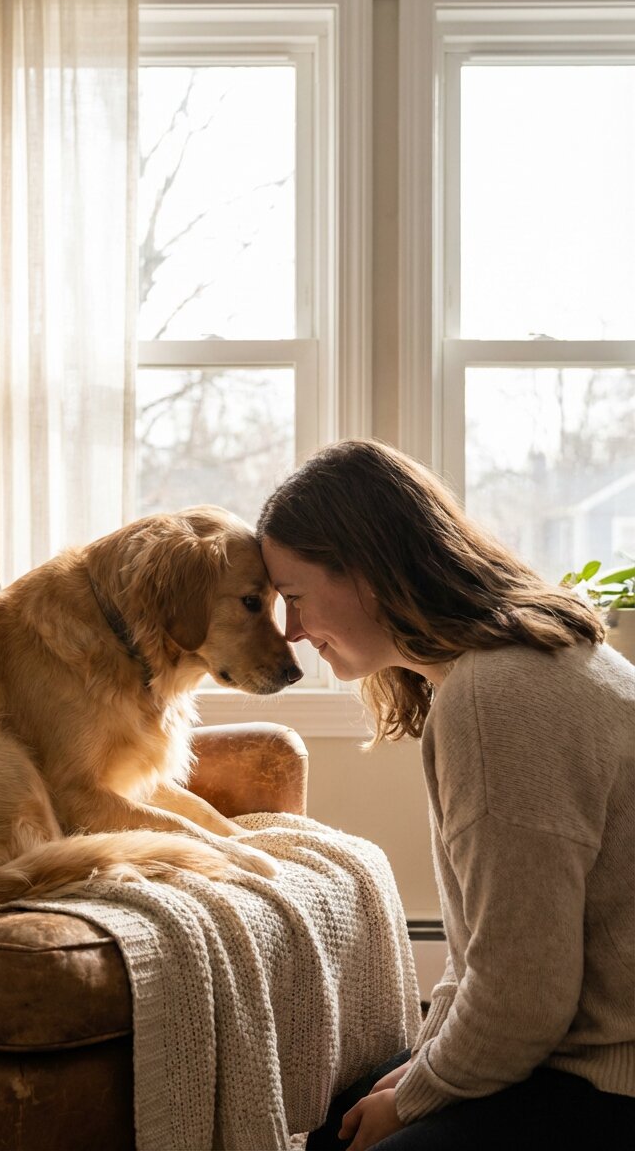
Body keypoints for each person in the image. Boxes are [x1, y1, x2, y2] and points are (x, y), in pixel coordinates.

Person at [256, 439, 635, 1150]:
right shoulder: (507, 666)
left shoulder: (501, 697)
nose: (294, 633)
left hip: (607, 1082)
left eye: (298, 598)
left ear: (367, 571)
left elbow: (524, 997)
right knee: (340, 1112)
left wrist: (417, 1096)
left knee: (348, 1133)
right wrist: (424, 1069)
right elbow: (489, 954)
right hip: (577, 1056)